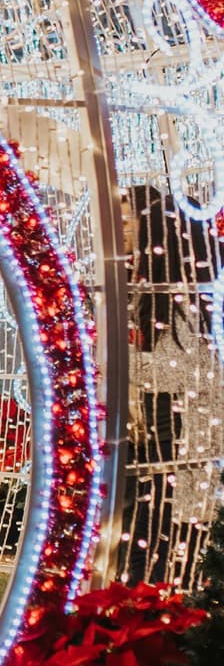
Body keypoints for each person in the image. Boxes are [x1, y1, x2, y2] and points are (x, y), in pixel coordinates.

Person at [122, 184, 223, 585]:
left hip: (181, 442)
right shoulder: (160, 290)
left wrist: (118, 361)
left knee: (163, 541)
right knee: (150, 534)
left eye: (132, 222)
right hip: (160, 437)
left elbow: (179, 370)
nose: (125, 229)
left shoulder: (190, 297)